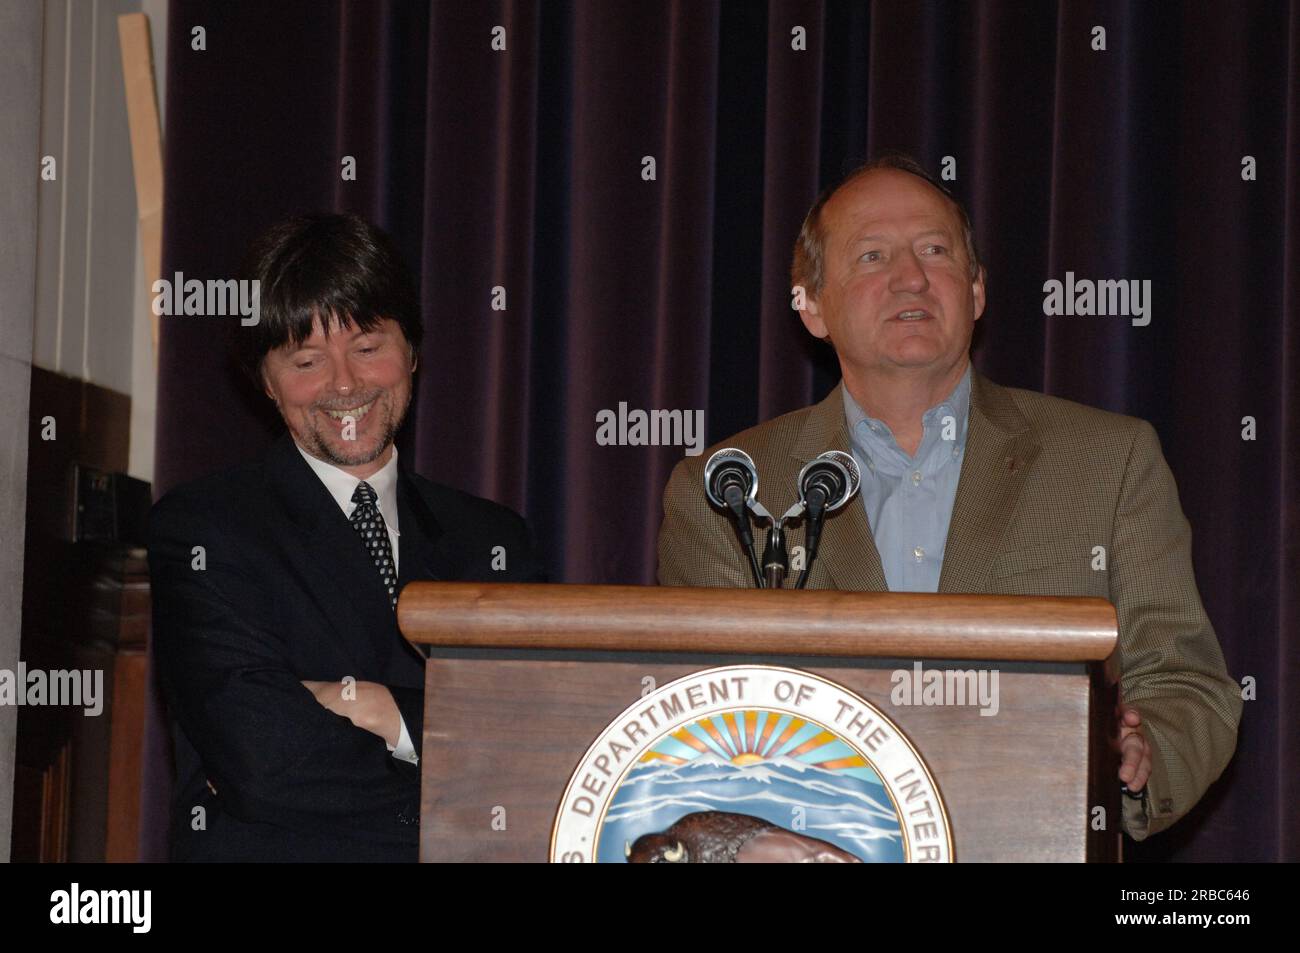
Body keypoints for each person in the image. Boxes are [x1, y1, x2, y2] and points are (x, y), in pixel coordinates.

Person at [657, 156, 1240, 842]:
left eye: (935, 250)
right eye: (873, 255)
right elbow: (705, 722)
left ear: (977, 289)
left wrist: (1140, 756)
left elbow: (1187, 685)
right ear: (810, 305)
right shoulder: (730, 488)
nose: (911, 276)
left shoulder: (1108, 460)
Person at [149, 213, 544, 861]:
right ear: (267, 382)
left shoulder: (494, 542)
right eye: (306, 359)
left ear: (412, 350)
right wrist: (456, 773)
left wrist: (386, 710)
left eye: (367, 346)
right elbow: (266, 762)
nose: (343, 383)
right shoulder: (205, 529)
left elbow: (534, 746)